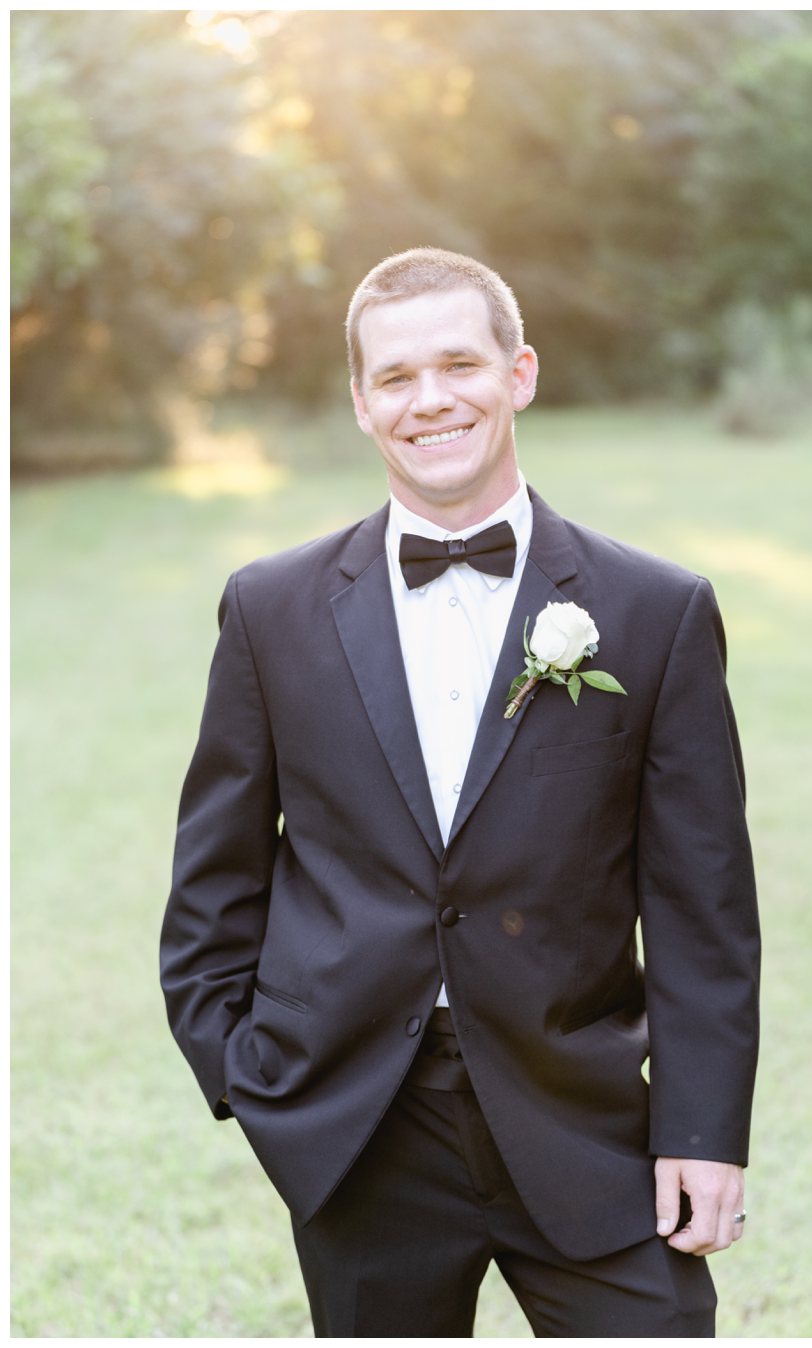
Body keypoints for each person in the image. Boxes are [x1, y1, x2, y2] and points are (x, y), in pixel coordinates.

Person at [161, 247, 760, 1337]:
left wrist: (706, 1131)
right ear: (359, 402)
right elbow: (215, 882)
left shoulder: (654, 610)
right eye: (394, 377)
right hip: (359, 1126)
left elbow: (702, 906)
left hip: (582, 1117)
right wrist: (252, 1081)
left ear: (519, 373)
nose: (429, 399)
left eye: (458, 364)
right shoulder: (270, 609)